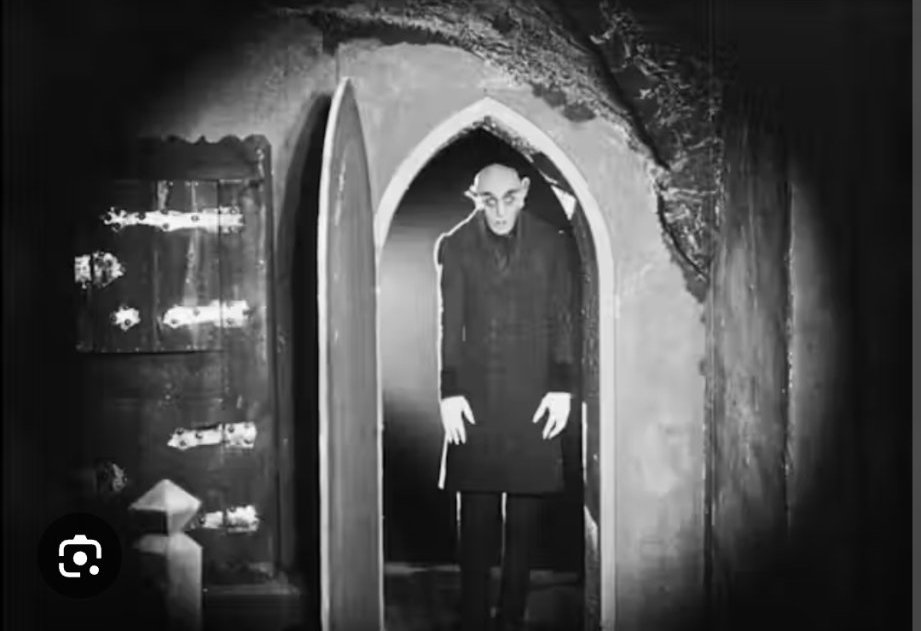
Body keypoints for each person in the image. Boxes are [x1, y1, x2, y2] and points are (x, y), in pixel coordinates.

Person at [434, 162, 576, 631]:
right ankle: (474, 616)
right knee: (475, 516)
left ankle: (511, 615)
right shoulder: (455, 245)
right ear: (474, 198)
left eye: (509, 199)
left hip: (534, 394)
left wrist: (561, 385)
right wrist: (449, 391)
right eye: (488, 201)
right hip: (476, 396)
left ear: (525, 192)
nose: (499, 212)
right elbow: (449, 323)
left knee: (524, 517)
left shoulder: (551, 243)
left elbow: (561, 317)